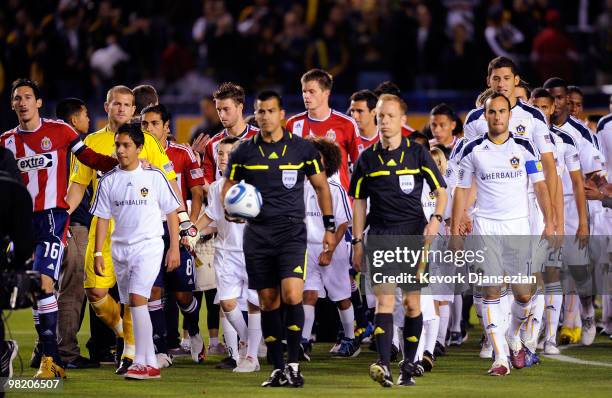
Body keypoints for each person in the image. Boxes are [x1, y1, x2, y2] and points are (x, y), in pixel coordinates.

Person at [65, 85, 195, 375]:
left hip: (141, 231)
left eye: (128, 104)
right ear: (106, 106)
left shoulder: (148, 141)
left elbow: (168, 183)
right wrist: (57, 219)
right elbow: (76, 190)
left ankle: (134, 355)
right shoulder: (93, 144)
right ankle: (128, 336)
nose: (122, 109)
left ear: (134, 110)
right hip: (105, 229)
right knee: (97, 293)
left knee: (136, 297)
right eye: (117, 104)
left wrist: (184, 223)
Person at [0, 78, 117, 378]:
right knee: (30, 287)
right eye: (17, 98)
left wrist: (117, 164)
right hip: (18, 223)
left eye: (28, 97)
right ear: (12, 104)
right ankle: (44, 352)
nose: (22, 102)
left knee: (44, 281)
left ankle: (51, 360)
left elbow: (88, 158)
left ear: (38, 103)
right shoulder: (6, 142)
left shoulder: (61, 131)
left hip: (52, 218)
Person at [221, 90, 335, 387]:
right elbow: (229, 185)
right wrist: (229, 208)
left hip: (291, 234)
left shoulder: (301, 150)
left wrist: (329, 226)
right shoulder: (243, 152)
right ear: (255, 115)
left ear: (281, 113)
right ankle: (278, 367)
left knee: (292, 295)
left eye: (270, 111)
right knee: (268, 301)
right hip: (257, 235)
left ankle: (295, 365)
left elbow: (322, 187)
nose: (265, 116)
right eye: (260, 112)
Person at [451, 93, 554, 376]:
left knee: (523, 296)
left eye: (501, 112)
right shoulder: (472, 149)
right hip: (486, 227)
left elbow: (541, 187)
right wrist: (455, 228)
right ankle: (500, 358)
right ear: (485, 115)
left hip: (519, 228)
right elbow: (461, 189)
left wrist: (550, 222)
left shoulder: (525, 147)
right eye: (492, 112)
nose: (497, 117)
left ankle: (512, 336)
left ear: (509, 115)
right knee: (491, 290)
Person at [350, 94, 447, 387]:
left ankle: (408, 366)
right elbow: (358, 202)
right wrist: (357, 241)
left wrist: (436, 220)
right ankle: (383, 363)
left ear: (403, 120)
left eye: (390, 116)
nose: (384, 122)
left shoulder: (417, 154)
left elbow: (441, 191)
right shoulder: (367, 158)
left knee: (412, 305)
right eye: (380, 117)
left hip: (413, 236)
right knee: (384, 302)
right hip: (379, 236)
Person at [91, 124, 182, 380]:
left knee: (138, 298)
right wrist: (99, 253)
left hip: (149, 246)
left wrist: (174, 246)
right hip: (120, 250)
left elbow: (172, 212)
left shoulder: (154, 177)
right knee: (131, 302)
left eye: (126, 145)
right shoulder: (108, 179)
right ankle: (142, 361)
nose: (120, 150)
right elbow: (102, 218)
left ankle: (148, 362)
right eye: (117, 145)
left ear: (140, 148)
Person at [189, 135, 263, 373]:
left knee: (254, 303)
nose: (223, 158)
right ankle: (246, 339)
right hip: (225, 253)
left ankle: (250, 356)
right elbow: (211, 218)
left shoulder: (255, 184)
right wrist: (191, 233)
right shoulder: (216, 187)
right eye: (220, 153)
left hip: (253, 252)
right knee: (228, 303)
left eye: (228, 154)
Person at [141, 104, 205, 364]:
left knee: (182, 295)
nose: (148, 129)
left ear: (167, 126)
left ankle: (194, 329)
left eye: (154, 123)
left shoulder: (182, 154)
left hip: (176, 230)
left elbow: (197, 192)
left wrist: (191, 228)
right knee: (154, 291)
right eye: (144, 124)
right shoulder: (136, 154)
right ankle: (160, 348)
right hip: (149, 231)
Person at [543, 77, 606, 345]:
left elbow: (596, 174)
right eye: (552, 99)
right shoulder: (536, 130)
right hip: (544, 205)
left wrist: (593, 204)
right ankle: (551, 329)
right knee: (549, 270)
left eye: (560, 98)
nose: (556, 104)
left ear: (567, 100)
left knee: (579, 269)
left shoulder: (579, 133)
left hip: (572, 205)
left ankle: (588, 312)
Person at [529, 87, 588, 354]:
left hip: (554, 214)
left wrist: (566, 223)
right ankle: (530, 333)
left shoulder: (565, 141)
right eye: (535, 106)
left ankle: (550, 336)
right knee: (528, 279)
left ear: (552, 109)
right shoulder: (521, 140)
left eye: (545, 107)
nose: (540, 111)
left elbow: (575, 184)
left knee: (552, 274)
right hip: (526, 217)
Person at [301, 137, 357, 358]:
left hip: (333, 249)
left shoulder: (335, 189)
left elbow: (343, 223)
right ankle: (303, 341)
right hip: (307, 249)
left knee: (341, 297)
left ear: (328, 161)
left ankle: (351, 338)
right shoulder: (302, 186)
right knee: (309, 294)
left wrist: (330, 251)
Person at [54, 98, 99, 369]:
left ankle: (45, 349)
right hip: (74, 224)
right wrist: (64, 224)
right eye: (85, 115)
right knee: (71, 290)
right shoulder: (75, 148)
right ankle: (66, 353)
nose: (89, 120)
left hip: (65, 223)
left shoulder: (57, 146)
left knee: (54, 290)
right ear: (74, 120)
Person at [285, 69, 363, 191]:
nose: (306, 96)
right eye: (304, 91)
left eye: (311, 91)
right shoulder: (293, 124)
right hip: (304, 199)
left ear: (326, 93)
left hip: (337, 199)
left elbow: (359, 165)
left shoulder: (347, 124)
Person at [201, 83, 259, 184]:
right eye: (219, 110)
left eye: (226, 109)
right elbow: (208, 186)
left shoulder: (261, 138)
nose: (221, 115)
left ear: (240, 107)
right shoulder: (212, 144)